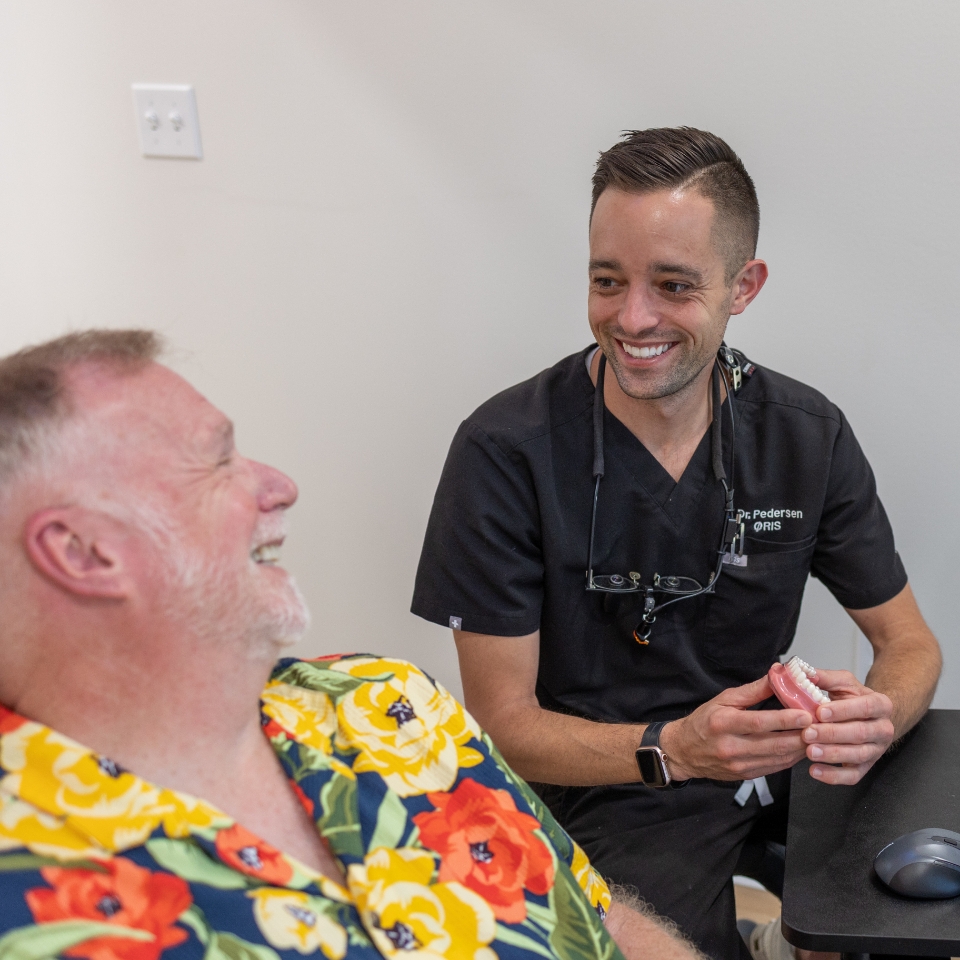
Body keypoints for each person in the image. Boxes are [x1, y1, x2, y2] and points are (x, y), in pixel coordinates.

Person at [411, 128, 942, 960]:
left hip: (784, 751)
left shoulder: (805, 435)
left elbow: (907, 643)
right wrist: (673, 749)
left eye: (673, 285)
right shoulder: (505, 451)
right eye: (607, 281)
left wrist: (879, 719)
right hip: (613, 782)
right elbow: (502, 723)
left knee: (918, 911)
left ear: (744, 285)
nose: (632, 318)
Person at [0, 329, 701, 960]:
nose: (280, 486)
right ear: (84, 552)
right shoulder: (31, 891)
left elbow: (600, 924)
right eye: (218, 464)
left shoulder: (387, 699)